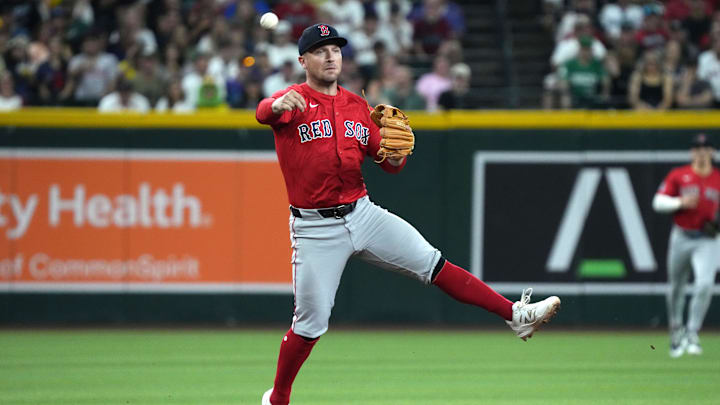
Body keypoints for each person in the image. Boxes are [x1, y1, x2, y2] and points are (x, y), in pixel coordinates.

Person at [255, 23, 561, 405]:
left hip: (362, 213)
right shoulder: (292, 101)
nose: (330, 55)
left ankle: (515, 315)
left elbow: (389, 164)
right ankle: (278, 397)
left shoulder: (355, 106)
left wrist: (395, 154)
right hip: (315, 229)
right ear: (303, 60)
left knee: (433, 263)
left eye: (335, 48)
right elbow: (262, 113)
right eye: (320, 50)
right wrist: (275, 104)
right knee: (310, 324)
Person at [652, 133, 720, 358]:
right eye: (697, 148)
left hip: (707, 239)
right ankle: (675, 329)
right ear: (692, 152)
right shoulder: (679, 175)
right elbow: (658, 202)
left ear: (711, 151)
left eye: (705, 147)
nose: (701, 151)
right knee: (676, 287)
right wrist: (680, 201)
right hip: (681, 236)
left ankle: (692, 331)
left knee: (704, 284)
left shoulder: (718, 178)